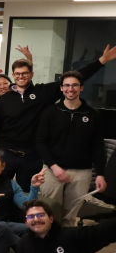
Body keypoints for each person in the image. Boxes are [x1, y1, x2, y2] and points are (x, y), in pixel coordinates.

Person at [0, 45, 116, 191]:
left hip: (32, 157)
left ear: (31, 74)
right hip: (6, 155)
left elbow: (76, 77)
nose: (21, 76)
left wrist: (102, 60)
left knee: (28, 195)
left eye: (24, 73)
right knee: (0, 191)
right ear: (13, 75)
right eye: (17, 74)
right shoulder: (3, 101)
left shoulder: (43, 93)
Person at [36, 70, 106, 226]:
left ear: (81, 88)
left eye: (75, 85)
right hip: (52, 171)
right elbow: (40, 142)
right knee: (49, 213)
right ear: (61, 88)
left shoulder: (93, 115)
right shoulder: (50, 112)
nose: (70, 89)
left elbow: (98, 147)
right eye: (66, 85)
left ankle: (65, 241)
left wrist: (100, 174)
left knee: (70, 217)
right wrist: (54, 167)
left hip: (81, 173)